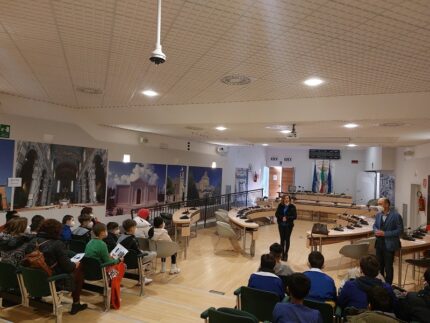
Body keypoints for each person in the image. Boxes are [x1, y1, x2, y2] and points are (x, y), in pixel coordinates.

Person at [26, 219, 87, 315]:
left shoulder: (32, 241)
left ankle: (38, 297)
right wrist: (75, 264)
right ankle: (76, 303)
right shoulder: (57, 244)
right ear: (57, 231)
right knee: (79, 269)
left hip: (34, 279)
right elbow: (68, 268)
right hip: (54, 280)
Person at [373, 197, 403, 284]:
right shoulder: (378, 215)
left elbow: (400, 231)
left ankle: (388, 286)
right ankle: (380, 284)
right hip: (379, 244)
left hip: (389, 245)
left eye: (380, 204)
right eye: (378, 204)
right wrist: (376, 231)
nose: (378, 206)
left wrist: (385, 234)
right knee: (379, 266)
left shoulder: (396, 216)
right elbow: (374, 226)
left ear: (387, 205)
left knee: (388, 267)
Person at [117, 219, 156, 285]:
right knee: (153, 253)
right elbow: (138, 252)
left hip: (122, 260)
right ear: (132, 228)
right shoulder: (132, 239)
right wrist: (143, 253)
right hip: (135, 260)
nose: (136, 228)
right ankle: (142, 278)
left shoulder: (120, 237)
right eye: (135, 227)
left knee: (145, 252)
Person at [275, 195, 297, 261]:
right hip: (281, 225)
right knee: (282, 239)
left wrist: (287, 218)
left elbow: (295, 216)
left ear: (289, 199)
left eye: (287, 198)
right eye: (285, 198)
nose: (286, 199)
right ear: (283, 199)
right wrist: (282, 217)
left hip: (289, 225)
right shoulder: (280, 205)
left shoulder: (292, 206)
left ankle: (286, 254)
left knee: (287, 239)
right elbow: (276, 214)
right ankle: (282, 253)